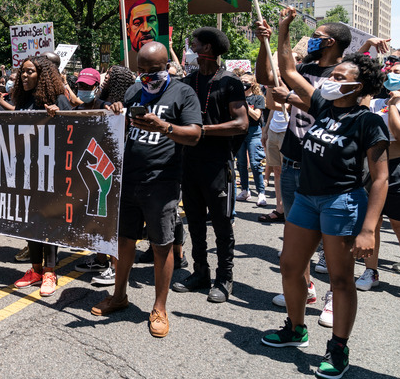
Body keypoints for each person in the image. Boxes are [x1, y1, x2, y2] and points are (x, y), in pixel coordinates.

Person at [261, 42, 388, 379]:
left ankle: (338, 348)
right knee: (289, 267)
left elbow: (380, 179)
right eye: (331, 74)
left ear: (356, 87)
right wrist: (282, 33)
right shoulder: (322, 104)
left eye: (338, 76)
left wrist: (369, 229)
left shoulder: (369, 122)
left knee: (340, 279)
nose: (329, 80)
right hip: (305, 197)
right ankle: (296, 329)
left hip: (341, 202)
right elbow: (289, 72)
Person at [90, 42, 202, 338]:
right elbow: (119, 128)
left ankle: (159, 307)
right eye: (141, 70)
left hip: (162, 181)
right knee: (124, 241)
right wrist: (114, 111)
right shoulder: (133, 91)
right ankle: (119, 296)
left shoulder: (183, 92)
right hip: (128, 179)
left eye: (153, 71)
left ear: (167, 66)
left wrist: (163, 127)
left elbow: (195, 135)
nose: (146, 76)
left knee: (160, 245)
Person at [255, 11, 353, 322]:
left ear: (330, 41)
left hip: (329, 169)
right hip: (295, 162)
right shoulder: (306, 68)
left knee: (332, 243)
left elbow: (332, 111)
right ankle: (305, 286)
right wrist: (273, 36)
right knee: (298, 236)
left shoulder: (349, 74)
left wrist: (294, 99)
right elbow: (270, 76)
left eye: (317, 34)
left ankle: (333, 297)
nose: (310, 39)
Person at [172, 27, 248, 303]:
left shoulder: (229, 82)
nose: (189, 48)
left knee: (222, 224)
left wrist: (202, 130)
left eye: (193, 44)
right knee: (194, 222)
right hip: (188, 163)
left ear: (207, 49)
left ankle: (224, 278)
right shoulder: (186, 82)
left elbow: (242, 123)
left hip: (218, 165)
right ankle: (199, 271)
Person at [0, 56, 72, 297]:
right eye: (22, 72)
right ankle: (35, 270)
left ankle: (50, 272)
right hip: (25, 173)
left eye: (30, 72)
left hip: (50, 173)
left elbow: (75, 129)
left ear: (42, 75)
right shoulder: (23, 101)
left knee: (48, 223)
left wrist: (60, 116)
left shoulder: (58, 99)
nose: (24, 76)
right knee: (30, 223)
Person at [361, 61, 400, 288]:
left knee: (398, 224)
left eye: (398, 72)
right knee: (373, 220)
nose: (392, 75)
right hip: (374, 168)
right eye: (390, 72)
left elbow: (399, 133)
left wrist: (394, 104)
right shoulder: (376, 102)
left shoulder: (397, 103)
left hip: (398, 169)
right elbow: (363, 119)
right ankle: (370, 271)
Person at [235, 74, 267, 206]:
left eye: (246, 81)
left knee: (255, 163)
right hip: (239, 133)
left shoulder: (258, 98)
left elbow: (256, 116)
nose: (243, 83)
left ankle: (261, 192)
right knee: (241, 163)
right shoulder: (236, 98)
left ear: (252, 83)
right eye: (241, 81)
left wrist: (245, 105)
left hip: (254, 133)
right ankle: (245, 190)